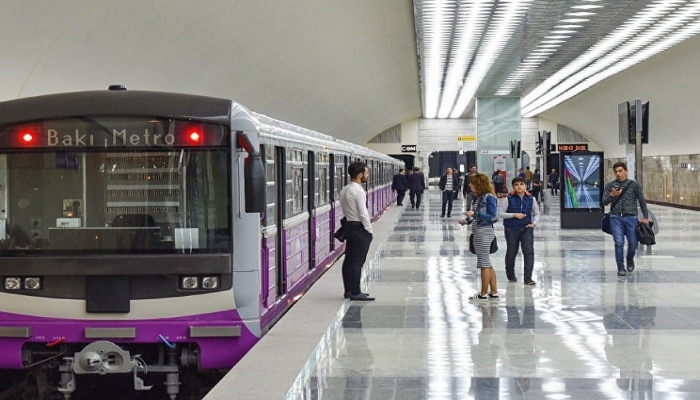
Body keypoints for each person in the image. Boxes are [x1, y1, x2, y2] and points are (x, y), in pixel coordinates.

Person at [601, 162, 650, 276]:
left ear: (626, 171)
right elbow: (603, 202)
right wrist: (612, 195)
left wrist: (645, 217)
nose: (618, 173)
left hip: (631, 218)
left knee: (633, 243)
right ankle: (620, 267)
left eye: (620, 171)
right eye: (616, 171)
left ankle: (629, 259)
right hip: (615, 217)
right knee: (619, 242)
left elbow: (642, 201)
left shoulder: (634, 185)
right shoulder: (610, 185)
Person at [460, 173, 499, 301]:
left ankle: (483, 294)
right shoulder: (479, 197)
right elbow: (476, 216)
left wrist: (475, 213)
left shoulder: (489, 197)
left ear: (479, 184)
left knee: (484, 263)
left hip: (485, 232)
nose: (470, 185)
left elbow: (493, 216)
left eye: (472, 183)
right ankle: (493, 292)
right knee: (486, 262)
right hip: (478, 231)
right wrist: (466, 220)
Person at [339, 161, 375, 301]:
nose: (367, 175)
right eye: (366, 173)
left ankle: (348, 290)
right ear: (360, 175)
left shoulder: (345, 189)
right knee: (357, 262)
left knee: (348, 260)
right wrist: (369, 229)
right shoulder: (358, 191)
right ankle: (356, 292)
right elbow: (363, 212)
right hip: (359, 228)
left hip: (349, 226)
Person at [499, 176, 540, 285]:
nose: (519, 187)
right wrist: (514, 215)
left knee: (529, 252)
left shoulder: (531, 198)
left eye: (521, 184)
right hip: (511, 229)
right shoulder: (508, 198)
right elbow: (500, 214)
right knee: (512, 251)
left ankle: (528, 278)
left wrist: (534, 223)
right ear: (513, 187)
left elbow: (536, 213)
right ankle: (510, 274)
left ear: (526, 186)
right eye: (516, 185)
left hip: (527, 228)